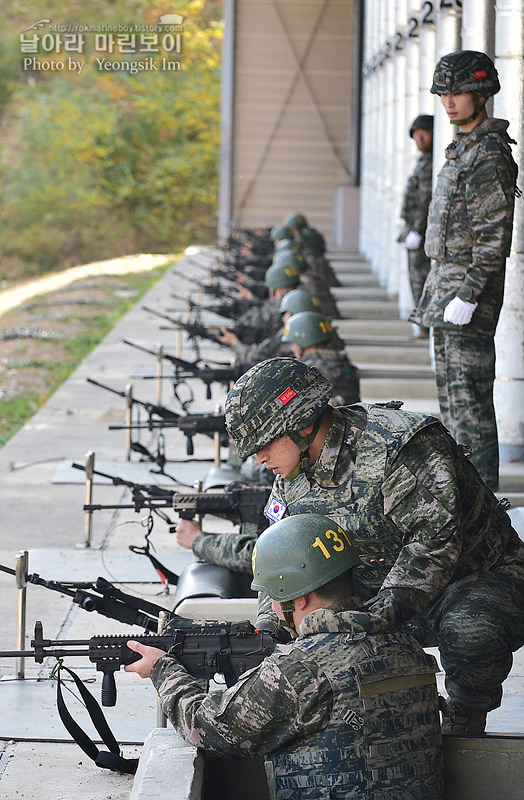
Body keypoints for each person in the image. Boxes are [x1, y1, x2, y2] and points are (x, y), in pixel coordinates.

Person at [224, 357, 524, 733]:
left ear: (302, 424)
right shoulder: (293, 471)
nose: (260, 459)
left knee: (471, 626)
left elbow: (432, 546)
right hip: (377, 588)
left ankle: (466, 716)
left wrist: (366, 620)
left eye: (265, 444)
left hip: (474, 581)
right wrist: (272, 630)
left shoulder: (401, 447)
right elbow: (281, 560)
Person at [126, 513, 443, 799]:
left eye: (275, 598)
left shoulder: (301, 669)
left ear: (300, 600)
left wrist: (162, 669)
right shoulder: (406, 644)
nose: (274, 609)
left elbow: (206, 729)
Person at [410, 51, 518, 491]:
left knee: (470, 406)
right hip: (447, 294)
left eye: (458, 92)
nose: (449, 102)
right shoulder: (463, 149)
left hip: (465, 299)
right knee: (454, 406)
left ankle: (486, 504)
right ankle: (467, 501)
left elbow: (494, 238)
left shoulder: (488, 154)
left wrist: (469, 294)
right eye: (444, 94)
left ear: (481, 93)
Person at [398, 114, 433, 336]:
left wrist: (418, 230)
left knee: (421, 278)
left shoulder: (431, 163)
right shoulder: (423, 161)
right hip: (414, 229)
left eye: (423, 134)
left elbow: (425, 199)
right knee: (415, 278)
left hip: (422, 232)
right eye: (416, 136)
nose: (419, 140)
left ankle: (424, 323)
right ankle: (422, 321)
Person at [281, 310, 360, 405]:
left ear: (303, 341)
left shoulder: (306, 372)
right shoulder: (345, 365)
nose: (293, 348)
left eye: (295, 343)